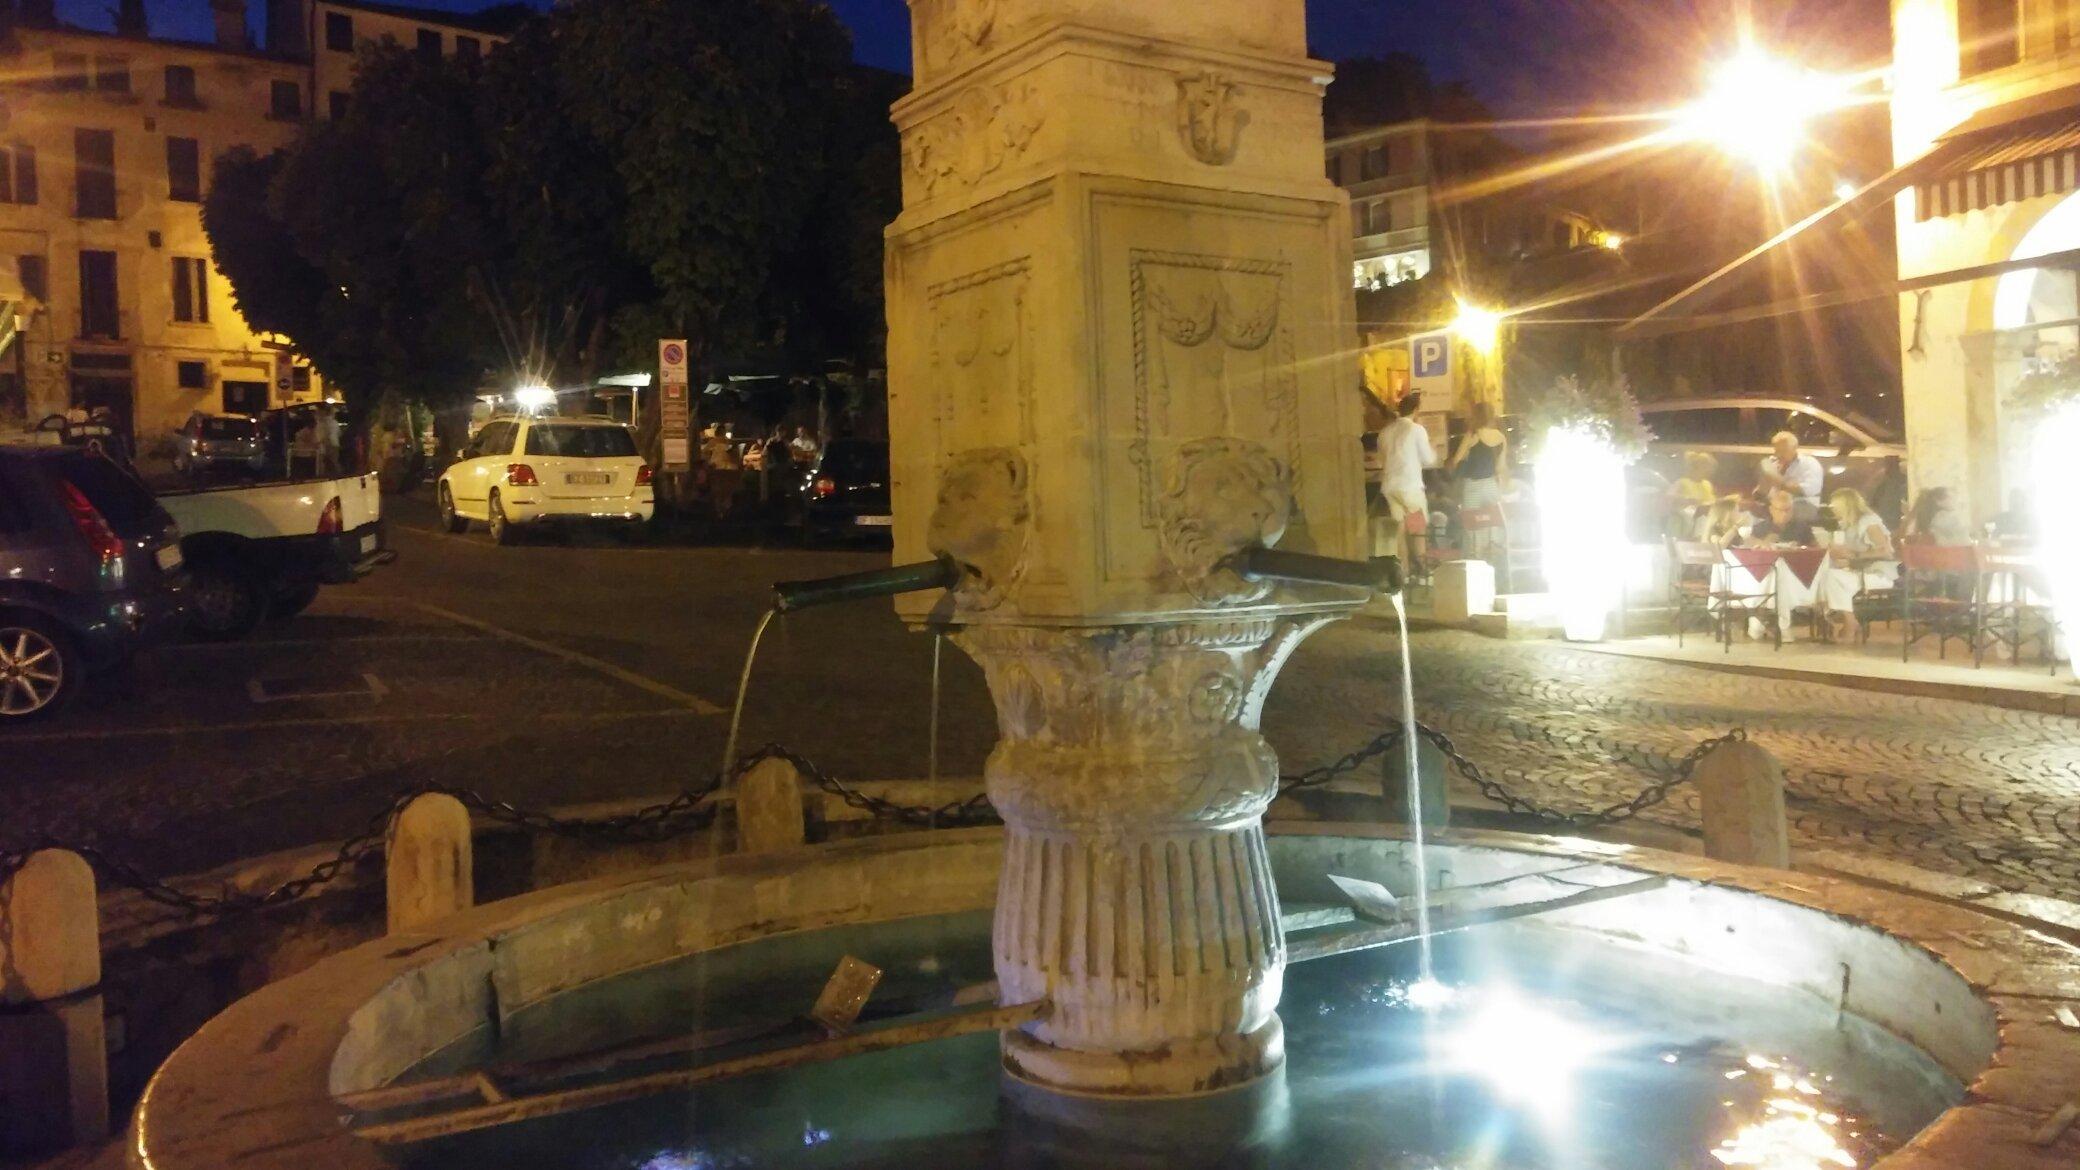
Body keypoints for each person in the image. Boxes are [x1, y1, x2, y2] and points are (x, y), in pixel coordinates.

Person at [1815, 488, 1897, 643]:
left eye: (1836, 507)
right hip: (1859, 571)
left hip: (1878, 573)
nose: (1833, 511)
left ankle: (1849, 622)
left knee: (1832, 578)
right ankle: (1840, 619)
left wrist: (1854, 557)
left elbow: (1885, 551)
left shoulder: (1869, 522)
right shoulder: (1847, 525)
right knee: (1825, 576)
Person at [1376, 392, 1436, 565]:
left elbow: (1382, 459)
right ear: (1416, 410)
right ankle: (1423, 568)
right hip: (1409, 487)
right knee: (1418, 529)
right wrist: (1435, 452)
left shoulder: (1385, 432)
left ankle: (1403, 574)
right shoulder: (1416, 429)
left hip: (1389, 488)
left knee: (1400, 531)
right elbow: (1428, 459)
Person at [1448, 401, 1511, 531]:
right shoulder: (1500, 437)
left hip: (1473, 486)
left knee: (1472, 526)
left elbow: (1456, 460)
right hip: (1491, 485)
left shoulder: (1473, 435)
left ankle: (1475, 550)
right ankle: (1492, 549)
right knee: (1493, 524)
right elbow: (1501, 467)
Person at [1756, 431, 1824, 513]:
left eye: (1783, 450)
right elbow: (1762, 494)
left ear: (1795, 447)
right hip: (1774, 512)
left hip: (1802, 513)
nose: (1779, 455)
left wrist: (1776, 479)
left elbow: (1810, 491)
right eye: (1777, 451)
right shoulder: (1773, 464)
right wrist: (1762, 486)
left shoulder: (1810, 463)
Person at [1742, 488, 1818, 548]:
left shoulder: (1802, 528)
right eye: (1780, 510)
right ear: (1771, 510)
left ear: (1792, 510)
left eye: (1787, 510)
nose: (1784, 514)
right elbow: (1751, 549)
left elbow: (1816, 551)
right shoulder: (1759, 528)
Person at [1903, 486, 1971, 546]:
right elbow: (1965, 541)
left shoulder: (1926, 518)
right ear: (1938, 501)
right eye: (1950, 497)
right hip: (1951, 554)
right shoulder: (1945, 518)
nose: (1955, 500)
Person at [1869, 456, 1908, 532]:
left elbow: (1873, 502)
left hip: (1887, 520)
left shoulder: (1883, 482)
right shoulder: (1903, 484)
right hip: (1891, 521)